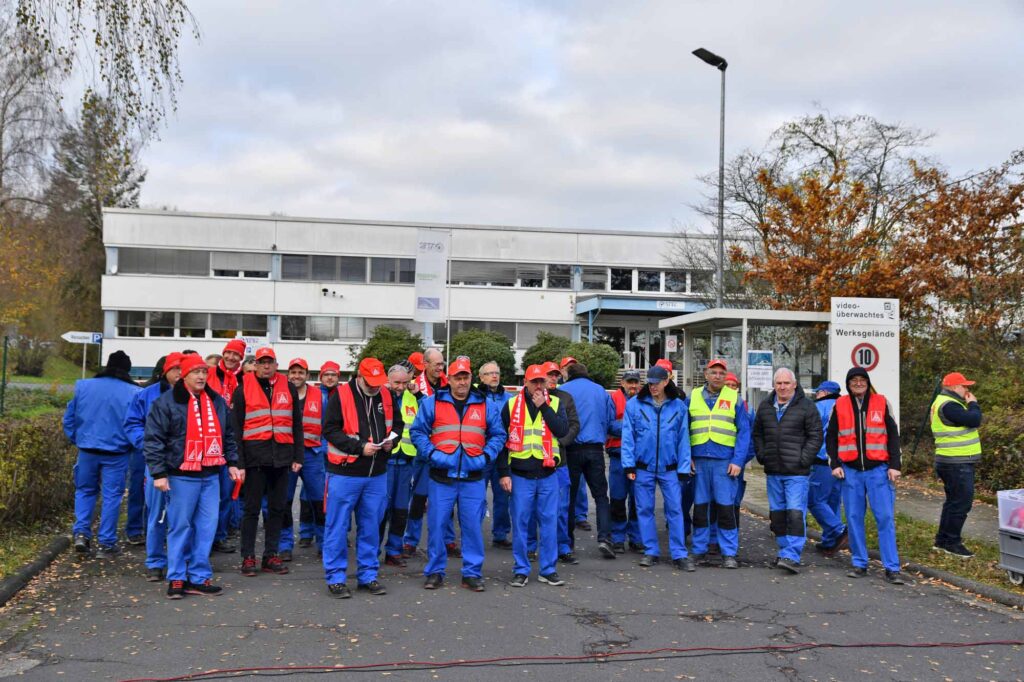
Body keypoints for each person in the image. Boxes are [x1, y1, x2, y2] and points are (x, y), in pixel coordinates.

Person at [144, 353, 242, 599]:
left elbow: (228, 435)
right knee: (180, 527)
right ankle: (177, 577)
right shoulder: (165, 402)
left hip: (210, 476)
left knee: (207, 527)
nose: (200, 376)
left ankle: (198, 577)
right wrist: (159, 473)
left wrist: (233, 463)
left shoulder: (217, 401)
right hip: (180, 476)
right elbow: (154, 440)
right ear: (184, 375)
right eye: (195, 372)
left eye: (203, 372)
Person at [410, 357, 506, 591]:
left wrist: (485, 457)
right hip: (441, 477)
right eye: (457, 377)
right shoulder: (432, 403)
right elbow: (418, 432)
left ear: (471, 379)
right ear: (449, 379)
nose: (462, 382)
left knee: (473, 526)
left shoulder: (485, 405)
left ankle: (472, 573)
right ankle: (434, 572)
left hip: (473, 477)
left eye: (466, 377)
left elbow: (498, 435)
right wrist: (432, 455)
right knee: (437, 526)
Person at [321, 357, 404, 598]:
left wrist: (392, 441)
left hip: (376, 474)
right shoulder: (342, 394)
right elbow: (329, 430)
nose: (375, 387)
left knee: (371, 528)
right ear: (359, 376)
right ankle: (335, 577)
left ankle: (368, 575)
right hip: (345, 473)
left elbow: (398, 424)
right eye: (371, 382)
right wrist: (359, 447)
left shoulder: (386, 395)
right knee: (337, 527)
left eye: (379, 382)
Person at [827, 367, 904, 584]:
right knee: (853, 519)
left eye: (862, 380)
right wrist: (834, 464)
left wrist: (895, 465)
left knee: (885, 518)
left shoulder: (881, 402)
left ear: (868, 382)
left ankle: (892, 568)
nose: (858, 383)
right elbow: (831, 437)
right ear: (848, 384)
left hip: (879, 470)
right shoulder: (839, 405)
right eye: (854, 380)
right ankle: (859, 563)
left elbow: (893, 436)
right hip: (850, 471)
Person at [231, 347, 303, 577]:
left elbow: (296, 424)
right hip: (254, 459)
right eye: (261, 362)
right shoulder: (242, 389)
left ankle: (271, 555)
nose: (265, 366)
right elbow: (236, 429)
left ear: (275, 364)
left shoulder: (288, 387)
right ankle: (248, 557)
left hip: (281, 459)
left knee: (277, 509)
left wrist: (297, 456)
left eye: (269, 362)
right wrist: (239, 462)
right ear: (255, 365)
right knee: (251, 510)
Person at [64, 350, 142, 558]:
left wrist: (78, 439)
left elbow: (69, 419)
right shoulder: (133, 392)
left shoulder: (84, 386)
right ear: (127, 369)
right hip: (117, 453)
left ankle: (81, 533)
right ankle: (106, 543)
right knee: (112, 497)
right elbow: (136, 425)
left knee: (85, 491)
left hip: (87, 450)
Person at [499, 364, 570, 587]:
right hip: (520, 475)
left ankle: (548, 569)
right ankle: (521, 569)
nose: (539, 385)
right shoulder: (511, 405)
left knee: (549, 523)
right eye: (534, 382)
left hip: (548, 473)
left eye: (541, 381)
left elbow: (562, 431)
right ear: (525, 383)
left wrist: (544, 408)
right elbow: (501, 442)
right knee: (520, 523)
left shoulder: (555, 403)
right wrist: (503, 473)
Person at [622, 365, 695, 571]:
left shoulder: (679, 406)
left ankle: (679, 554)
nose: (653, 387)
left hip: (670, 468)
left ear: (666, 382)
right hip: (643, 466)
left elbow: (683, 440)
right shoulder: (634, 405)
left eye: (656, 383)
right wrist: (628, 464)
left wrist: (683, 467)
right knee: (644, 509)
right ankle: (650, 551)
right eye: (650, 383)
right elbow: (628, 437)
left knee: (675, 510)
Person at [752, 367, 822, 574]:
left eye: (786, 383)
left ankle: (792, 554)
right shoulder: (765, 406)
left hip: (796, 472)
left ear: (794, 384)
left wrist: (804, 459)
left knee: (794, 512)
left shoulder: (807, 407)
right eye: (779, 383)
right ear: (774, 385)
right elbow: (758, 434)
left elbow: (816, 435)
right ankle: (784, 551)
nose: (782, 387)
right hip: (773, 469)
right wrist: (762, 455)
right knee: (778, 515)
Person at [687, 359, 752, 569]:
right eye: (713, 372)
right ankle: (698, 550)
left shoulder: (735, 399)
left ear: (726, 377)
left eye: (721, 373)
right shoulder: (693, 397)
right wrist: (686, 457)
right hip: (699, 460)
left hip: (724, 462)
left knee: (726, 508)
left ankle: (729, 553)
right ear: (706, 374)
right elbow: (683, 431)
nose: (717, 376)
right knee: (701, 508)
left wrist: (738, 461)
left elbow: (744, 433)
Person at [124, 352, 183, 581]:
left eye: (182, 368)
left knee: (182, 515)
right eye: (174, 368)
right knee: (157, 513)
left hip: (184, 464)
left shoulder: (192, 396)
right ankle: (155, 561)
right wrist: (146, 445)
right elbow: (132, 423)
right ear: (165, 371)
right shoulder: (147, 395)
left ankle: (179, 560)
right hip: (156, 463)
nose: (179, 373)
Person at [560, 362, 616, 559]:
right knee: (601, 496)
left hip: (570, 449)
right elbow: (610, 421)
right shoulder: (600, 391)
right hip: (594, 449)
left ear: (569, 375)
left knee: (570, 497)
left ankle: (567, 543)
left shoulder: (562, 390)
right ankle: (605, 539)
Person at [274, 358, 326, 560]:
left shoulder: (319, 396)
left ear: (307, 375)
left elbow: (328, 424)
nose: (296, 376)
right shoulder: (280, 394)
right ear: (288, 374)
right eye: (293, 372)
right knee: (284, 501)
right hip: (287, 455)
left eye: (300, 372)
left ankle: (323, 542)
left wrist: (322, 449)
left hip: (312, 454)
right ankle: (284, 545)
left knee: (319, 501)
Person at [930, 372, 983, 559]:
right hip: (956, 462)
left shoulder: (944, 402)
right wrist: (973, 403)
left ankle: (942, 540)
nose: (967, 390)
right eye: (964, 386)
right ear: (953, 387)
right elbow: (975, 419)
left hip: (952, 461)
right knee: (961, 503)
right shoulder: (950, 404)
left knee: (953, 502)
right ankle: (952, 542)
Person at [207, 338, 247, 553]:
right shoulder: (210, 373)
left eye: (236, 355)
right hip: (209, 440)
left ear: (241, 358)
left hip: (232, 441)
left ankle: (219, 536)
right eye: (228, 353)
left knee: (226, 493)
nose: (231, 358)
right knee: (207, 494)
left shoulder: (244, 379)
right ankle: (204, 537)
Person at [297, 360, 341, 548]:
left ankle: (336, 532)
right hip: (316, 450)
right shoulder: (315, 394)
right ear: (320, 377)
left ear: (338, 377)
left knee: (334, 494)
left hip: (336, 451)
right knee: (309, 494)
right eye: (326, 374)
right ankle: (307, 531)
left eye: (333, 375)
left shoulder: (342, 394)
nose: (330, 378)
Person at [381, 364, 416, 566]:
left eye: (404, 382)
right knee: (379, 510)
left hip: (406, 461)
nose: (401, 386)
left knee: (401, 509)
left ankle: (394, 550)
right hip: (384, 462)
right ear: (388, 380)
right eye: (397, 382)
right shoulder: (380, 397)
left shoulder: (413, 399)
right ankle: (372, 551)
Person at [809, 381, 848, 556]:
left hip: (822, 460)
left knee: (815, 500)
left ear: (823, 392)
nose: (817, 396)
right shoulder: (845, 407)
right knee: (833, 502)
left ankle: (840, 530)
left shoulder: (818, 408)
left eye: (818, 393)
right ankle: (830, 543)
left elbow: (810, 434)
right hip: (843, 462)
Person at [477, 361, 513, 549]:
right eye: (489, 373)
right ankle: (473, 532)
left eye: (496, 373)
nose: (494, 376)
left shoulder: (509, 398)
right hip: (480, 452)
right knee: (476, 496)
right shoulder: (475, 397)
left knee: (502, 496)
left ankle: (500, 534)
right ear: (481, 377)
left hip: (502, 452)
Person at [606, 370, 643, 553]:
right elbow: (609, 425)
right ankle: (618, 537)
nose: (633, 386)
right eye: (630, 382)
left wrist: (624, 426)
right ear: (622, 382)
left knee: (638, 501)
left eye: (636, 382)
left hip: (639, 459)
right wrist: (632, 427)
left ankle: (636, 538)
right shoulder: (613, 399)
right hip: (618, 456)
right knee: (618, 499)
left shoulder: (644, 400)